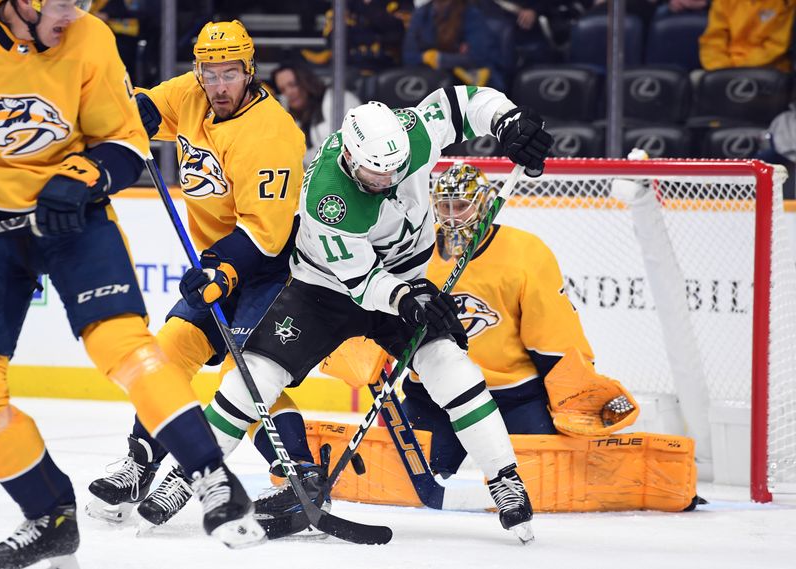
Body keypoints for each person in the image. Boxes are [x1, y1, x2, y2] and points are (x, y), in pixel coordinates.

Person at [201, 88, 554, 542]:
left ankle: (505, 480)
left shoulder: (414, 134)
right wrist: (409, 300)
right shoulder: (329, 198)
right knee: (257, 373)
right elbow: (363, 282)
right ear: (348, 156)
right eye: (374, 172)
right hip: (325, 288)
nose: (387, 181)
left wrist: (509, 121)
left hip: (402, 279)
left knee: (451, 366)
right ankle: (189, 474)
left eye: (394, 170)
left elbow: (463, 104)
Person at [0, 2, 265, 566]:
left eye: (84, 1)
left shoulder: (89, 38)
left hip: (75, 221)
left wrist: (88, 174)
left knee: (127, 350)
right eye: (63, 1)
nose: (76, 13)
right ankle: (49, 516)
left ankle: (212, 477)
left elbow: (125, 141)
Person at [83, 20, 313, 530]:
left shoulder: (272, 133)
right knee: (166, 352)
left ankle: (299, 476)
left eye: (231, 73)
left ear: (249, 72)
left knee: (250, 371)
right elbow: (144, 110)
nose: (220, 85)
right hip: (218, 261)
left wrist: (221, 270)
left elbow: (266, 234)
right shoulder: (192, 93)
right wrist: (120, 116)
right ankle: (140, 464)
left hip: (271, 267)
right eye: (211, 73)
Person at [401, 162, 594, 477]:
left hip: (512, 392)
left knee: (542, 480)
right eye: (443, 205)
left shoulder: (525, 253)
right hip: (435, 392)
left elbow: (553, 336)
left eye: (461, 205)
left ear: (485, 204)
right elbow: (384, 314)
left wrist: (576, 394)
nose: (451, 216)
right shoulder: (417, 249)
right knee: (407, 477)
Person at [272, 63, 361, 168]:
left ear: (305, 81)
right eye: (282, 90)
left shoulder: (335, 100)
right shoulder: (298, 118)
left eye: (293, 84)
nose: (289, 92)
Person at [403, 0, 506, 90]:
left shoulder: (471, 13)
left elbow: (478, 57)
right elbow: (409, 56)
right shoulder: (421, 14)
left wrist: (439, 58)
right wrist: (456, 56)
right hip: (431, 79)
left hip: (469, 81)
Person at [699, 0, 796, 72]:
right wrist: (721, 69)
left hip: (768, 68)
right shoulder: (723, 2)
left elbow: (776, 45)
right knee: (697, 81)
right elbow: (713, 40)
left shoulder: (786, 3)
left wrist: (740, 67)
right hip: (726, 66)